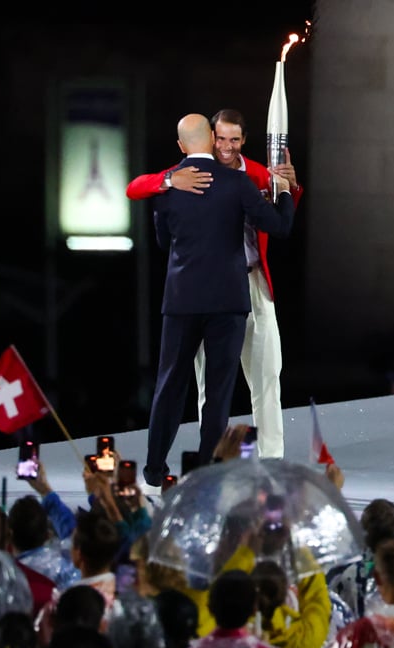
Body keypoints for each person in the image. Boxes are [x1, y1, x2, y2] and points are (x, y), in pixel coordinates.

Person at [127, 108, 303, 460]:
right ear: (209, 138)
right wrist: (167, 181)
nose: (225, 146)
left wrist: (288, 187)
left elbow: (278, 220)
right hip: (212, 290)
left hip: (252, 283)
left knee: (267, 374)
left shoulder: (253, 175)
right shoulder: (188, 173)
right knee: (210, 383)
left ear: (243, 141)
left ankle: (271, 458)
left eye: (233, 139)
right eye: (219, 138)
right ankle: (212, 459)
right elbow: (136, 187)